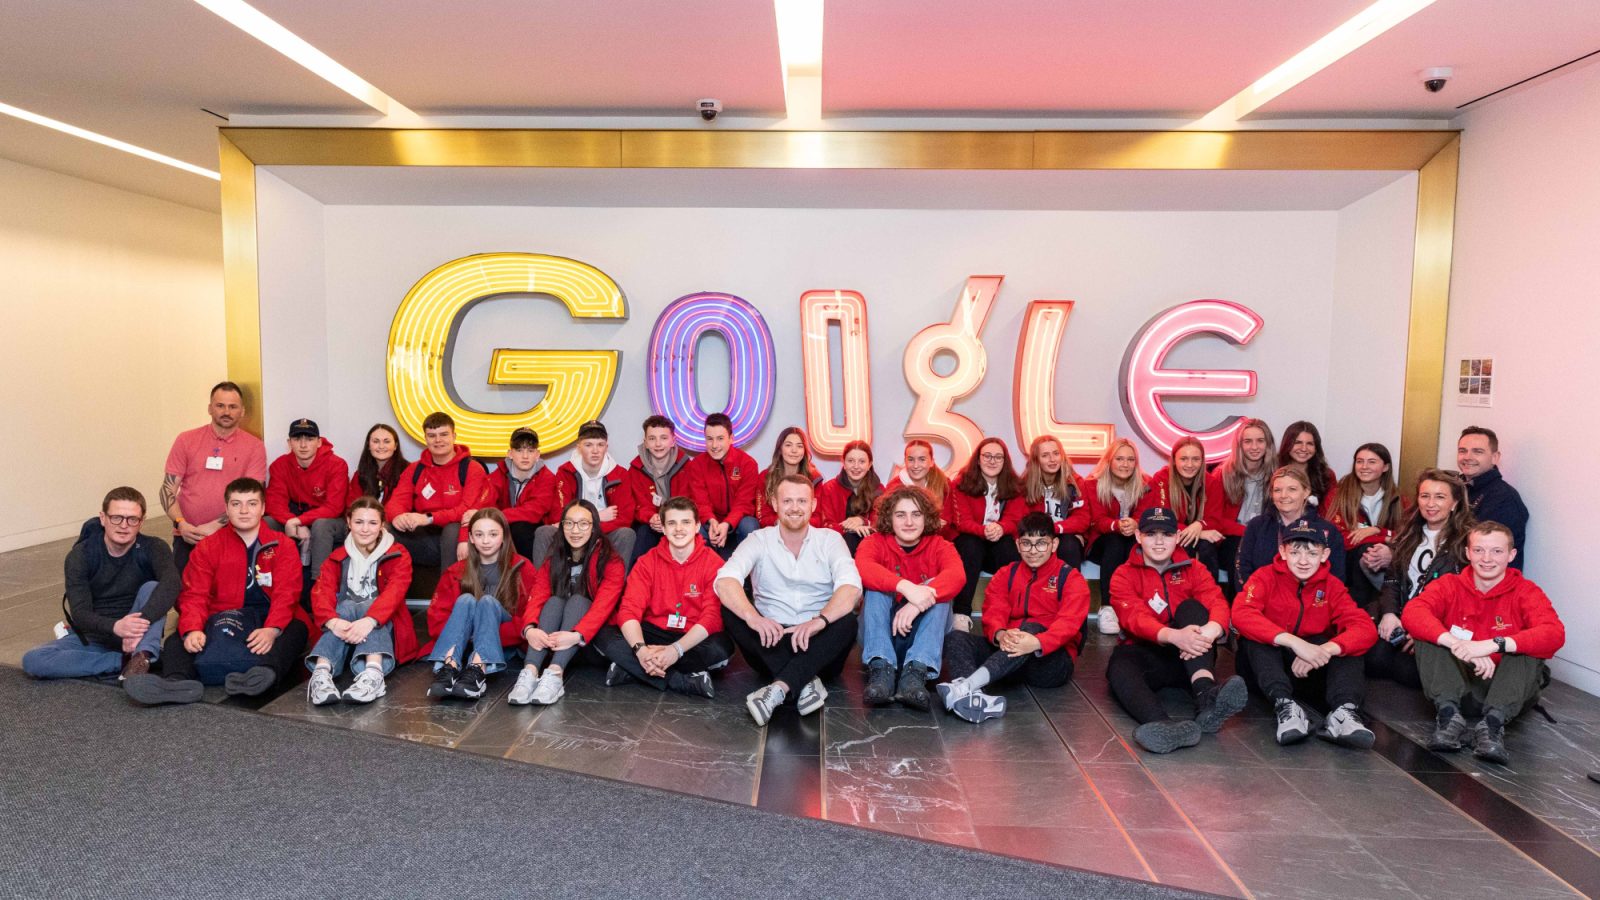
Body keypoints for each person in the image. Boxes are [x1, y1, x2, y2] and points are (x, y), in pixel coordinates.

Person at [124, 478, 310, 705]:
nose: (244, 511)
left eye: (252, 504)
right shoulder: (208, 546)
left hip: (266, 616)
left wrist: (272, 629)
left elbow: (287, 594)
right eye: (236, 504)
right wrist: (193, 629)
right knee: (177, 640)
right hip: (221, 616)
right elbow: (194, 594)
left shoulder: (283, 545)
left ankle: (263, 675)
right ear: (227, 508)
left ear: (262, 508)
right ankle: (175, 683)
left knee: (296, 630)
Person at [1403, 523, 1564, 765]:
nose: (1487, 559)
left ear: (1511, 555)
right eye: (1479, 550)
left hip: (1508, 690)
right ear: (1468, 553)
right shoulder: (1450, 585)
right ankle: (1449, 718)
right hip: (1460, 686)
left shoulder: (1526, 591)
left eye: (1497, 552)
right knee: (1428, 634)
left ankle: (1492, 726)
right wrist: (1458, 644)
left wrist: (1494, 644)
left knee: (1529, 646)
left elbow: (1554, 633)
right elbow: (1413, 612)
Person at [716, 475, 862, 726]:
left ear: (813, 505)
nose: (795, 507)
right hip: (771, 639)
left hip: (818, 642)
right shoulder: (758, 540)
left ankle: (779, 688)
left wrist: (819, 622)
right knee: (731, 609)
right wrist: (754, 618)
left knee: (847, 621)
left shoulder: (830, 540)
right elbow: (724, 580)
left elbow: (851, 588)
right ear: (774, 503)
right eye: (788, 501)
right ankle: (804, 681)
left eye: (802, 501)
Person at [1105, 508, 1246, 753]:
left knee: (1193, 608)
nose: (1159, 541)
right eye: (1151, 534)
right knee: (1119, 667)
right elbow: (1133, 618)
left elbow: (1216, 601)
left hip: (1191, 657)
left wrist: (1211, 631)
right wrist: (1173, 636)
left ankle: (1206, 696)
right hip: (1147, 653)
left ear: (1177, 537)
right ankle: (1163, 725)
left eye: (1167, 534)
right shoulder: (1123, 574)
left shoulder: (1195, 568)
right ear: (1138, 536)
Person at [1232, 519, 1377, 748]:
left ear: (1324, 554)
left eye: (1311, 553)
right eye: (1295, 552)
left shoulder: (1332, 586)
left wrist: (1324, 650)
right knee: (1256, 640)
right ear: (1282, 551)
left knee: (1349, 646)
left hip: (1308, 669)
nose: (1302, 561)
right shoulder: (1264, 577)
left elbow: (1364, 627)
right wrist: (1294, 643)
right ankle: (1285, 707)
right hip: (1267, 670)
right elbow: (1241, 613)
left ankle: (1344, 713)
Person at [937, 512, 1089, 723]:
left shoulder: (1070, 578)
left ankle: (966, 687)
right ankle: (975, 700)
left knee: (1033, 628)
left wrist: (1036, 642)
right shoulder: (1006, 573)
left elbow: (1068, 624)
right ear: (1017, 545)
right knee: (956, 638)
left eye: (1041, 544)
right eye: (1026, 543)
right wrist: (1000, 634)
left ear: (1054, 544)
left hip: (1050, 663)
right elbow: (993, 611)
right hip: (1007, 655)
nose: (1033, 551)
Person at [22, 487, 179, 681]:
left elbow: (172, 583)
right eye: (116, 518)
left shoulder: (153, 547)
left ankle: (143, 655)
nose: (124, 525)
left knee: (153, 587)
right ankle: (126, 663)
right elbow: (80, 613)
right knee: (34, 660)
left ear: (142, 522)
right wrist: (116, 627)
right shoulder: (81, 555)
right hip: (95, 636)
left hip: (138, 634)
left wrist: (136, 627)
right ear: (103, 518)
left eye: (132, 519)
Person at [593, 496, 734, 697]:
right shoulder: (646, 562)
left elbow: (711, 618)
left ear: (696, 527)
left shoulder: (714, 564)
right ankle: (680, 681)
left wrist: (675, 650)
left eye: (685, 522)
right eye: (672, 523)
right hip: (653, 632)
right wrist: (641, 650)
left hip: (691, 636)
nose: (678, 529)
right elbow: (629, 610)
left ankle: (631, 670)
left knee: (722, 648)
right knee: (602, 634)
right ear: (664, 529)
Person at [854, 485, 963, 709]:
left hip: (923, 639)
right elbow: (863, 568)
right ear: (889, 518)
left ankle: (915, 674)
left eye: (916, 514)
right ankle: (881, 669)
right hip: (882, 635)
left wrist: (917, 603)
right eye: (900, 515)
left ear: (926, 518)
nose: (909, 522)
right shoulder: (874, 543)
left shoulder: (941, 546)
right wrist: (905, 587)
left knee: (935, 589)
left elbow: (957, 576)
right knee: (877, 586)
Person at [508, 500, 625, 706]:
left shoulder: (611, 561)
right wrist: (529, 630)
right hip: (553, 640)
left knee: (578, 601)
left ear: (594, 526)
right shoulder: (555, 557)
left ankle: (554, 674)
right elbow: (537, 597)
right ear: (561, 526)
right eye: (569, 523)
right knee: (553, 601)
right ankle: (530, 671)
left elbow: (603, 607)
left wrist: (576, 635)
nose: (575, 530)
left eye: (583, 524)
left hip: (588, 642)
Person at [1368, 469, 1474, 688]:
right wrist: (1389, 614)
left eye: (1440, 497)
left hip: (1435, 625)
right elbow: (1391, 581)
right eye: (1425, 496)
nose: (1431, 503)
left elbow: (1464, 600)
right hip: (1400, 618)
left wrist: (1426, 631)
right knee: (1374, 662)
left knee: (1411, 673)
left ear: (1454, 503)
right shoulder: (1410, 532)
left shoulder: (1467, 542)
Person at [304, 497, 416, 705]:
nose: (365, 529)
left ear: (382, 525)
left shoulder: (399, 554)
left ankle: (373, 674)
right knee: (345, 605)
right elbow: (321, 591)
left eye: (372, 523)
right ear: (348, 522)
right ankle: (321, 674)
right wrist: (333, 622)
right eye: (359, 522)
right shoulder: (337, 557)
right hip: (347, 626)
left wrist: (370, 620)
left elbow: (395, 593)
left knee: (367, 604)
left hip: (383, 624)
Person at [422, 508, 535, 702]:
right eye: (479, 534)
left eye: (493, 534)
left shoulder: (523, 567)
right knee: (466, 600)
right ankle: (450, 667)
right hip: (463, 644)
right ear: (471, 539)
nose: (486, 540)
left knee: (487, 602)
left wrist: (484, 632)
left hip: (501, 642)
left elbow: (530, 618)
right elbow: (436, 619)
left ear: (504, 537)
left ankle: (478, 670)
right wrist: (470, 634)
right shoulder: (455, 571)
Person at [161, 381, 268, 571]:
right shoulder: (186, 440)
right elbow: (168, 488)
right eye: (220, 405)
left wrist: (215, 525)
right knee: (184, 594)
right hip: (188, 534)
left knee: (226, 595)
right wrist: (181, 523)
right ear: (210, 408)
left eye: (232, 406)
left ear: (242, 411)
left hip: (234, 534)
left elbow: (253, 497)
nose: (226, 411)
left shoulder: (254, 446)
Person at [383, 412, 489, 575]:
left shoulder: (471, 468)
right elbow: (395, 502)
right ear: (425, 438)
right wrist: (398, 516)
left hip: (458, 537)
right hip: (426, 539)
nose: (438, 440)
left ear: (454, 436)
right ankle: (383, 593)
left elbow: (466, 510)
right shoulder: (415, 469)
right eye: (432, 436)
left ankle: (448, 595)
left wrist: (429, 518)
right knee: (385, 529)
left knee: (452, 529)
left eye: (444, 434)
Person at [310, 423, 408, 576]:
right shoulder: (361, 473)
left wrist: (377, 524)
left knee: (383, 529)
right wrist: (357, 524)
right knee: (322, 524)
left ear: (395, 446)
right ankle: (319, 581)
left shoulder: (407, 471)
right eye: (375, 441)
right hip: (357, 524)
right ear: (368, 446)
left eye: (386, 441)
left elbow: (402, 505)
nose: (381, 446)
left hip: (389, 526)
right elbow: (351, 505)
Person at [947, 436, 1023, 631]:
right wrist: (986, 531)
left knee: (1009, 548)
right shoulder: (960, 484)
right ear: (978, 459)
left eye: (998, 457)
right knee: (969, 544)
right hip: (972, 541)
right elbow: (962, 521)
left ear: (1005, 461)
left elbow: (1015, 519)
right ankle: (961, 613)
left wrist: (1001, 528)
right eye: (987, 456)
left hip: (998, 543)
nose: (992, 461)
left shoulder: (1015, 486)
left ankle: (1011, 613)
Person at [1235, 466, 1346, 587]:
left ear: (1306, 492)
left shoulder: (1327, 531)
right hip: (1261, 601)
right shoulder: (1257, 526)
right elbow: (1242, 569)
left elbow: (1336, 578)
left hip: (1311, 603)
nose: (1283, 495)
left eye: (1292, 489)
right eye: (1277, 490)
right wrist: (1252, 598)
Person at [545, 420, 636, 564]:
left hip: (605, 532)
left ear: (607, 447)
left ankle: (616, 585)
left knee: (626, 534)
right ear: (579, 447)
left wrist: (590, 527)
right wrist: (597, 517)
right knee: (545, 532)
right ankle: (546, 585)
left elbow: (625, 518)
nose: (595, 451)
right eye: (588, 445)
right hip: (573, 531)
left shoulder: (620, 474)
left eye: (600, 445)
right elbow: (558, 515)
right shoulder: (566, 472)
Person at [1326, 443, 1403, 610]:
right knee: (1367, 550)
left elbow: (1406, 538)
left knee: (1373, 551)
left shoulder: (1399, 499)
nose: (1364, 467)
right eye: (1359, 461)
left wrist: (1378, 531)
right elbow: (1337, 538)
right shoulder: (1337, 496)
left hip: (1387, 564)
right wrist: (1384, 538)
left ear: (1385, 467)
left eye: (1372, 462)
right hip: (1346, 568)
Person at [1204, 419, 1275, 597]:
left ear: (1268, 444)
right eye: (1247, 441)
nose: (1254, 447)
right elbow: (1216, 520)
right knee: (1238, 552)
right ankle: (1238, 605)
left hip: (1265, 535)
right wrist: (1248, 531)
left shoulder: (1276, 475)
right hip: (1232, 536)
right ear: (1239, 445)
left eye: (1260, 440)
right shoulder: (1223, 473)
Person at [264, 418, 348, 569]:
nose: (303, 445)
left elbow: (334, 507)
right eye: (297, 439)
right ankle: (266, 578)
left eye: (309, 439)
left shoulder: (337, 465)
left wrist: (299, 521)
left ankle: (319, 583)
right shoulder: (279, 465)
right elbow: (274, 503)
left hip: (329, 520)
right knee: (267, 522)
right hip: (295, 514)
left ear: (319, 442)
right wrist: (292, 520)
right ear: (289, 443)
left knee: (320, 526)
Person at [1082, 437, 1150, 620]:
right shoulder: (1092, 484)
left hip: (1130, 538)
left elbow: (1146, 513)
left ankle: (1137, 607)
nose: (1125, 464)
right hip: (1100, 543)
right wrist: (1117, 525)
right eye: (1119, 459)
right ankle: (1108, 608)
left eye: (1130, 459)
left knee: (1136, 545)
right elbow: (1096, 520)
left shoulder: (1145, 484)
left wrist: (1136, 523)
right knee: (1116, 541)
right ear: (1109, 461)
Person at [468, 427, 556, 562]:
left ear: (537, 455)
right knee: (486, 530)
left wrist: (498, 516)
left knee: (520, 529)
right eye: (519, 450)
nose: (525, 456)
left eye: (530, 451)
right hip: (502, 524)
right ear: (510, 453)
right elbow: (484, 504)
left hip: (532, 529)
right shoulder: (498, 475)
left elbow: (534, 512)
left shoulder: (547, 477)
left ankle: (528, 578)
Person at [685, 413, 761, 559]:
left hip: (737, 522)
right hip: (710, 523)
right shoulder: (696, 465)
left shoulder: (748, 464)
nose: (714, 445)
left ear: (731, 438)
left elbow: (744, 504)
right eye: (709, 439)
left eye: (720, 439)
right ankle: (703, 575)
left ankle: (747, 579)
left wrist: (727, 523)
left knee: (750, 525)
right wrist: (711, 521)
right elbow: (700, 502)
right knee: (694, 528)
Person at [1143, 437, 1221, 574]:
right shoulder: (1161, 479)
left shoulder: (1211, 482)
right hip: (1169, 536)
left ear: (1202, 461)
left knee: (1207, 548)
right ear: (1174, 461)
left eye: (1195, 459)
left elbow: (1215, 517)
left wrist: (1200, 524)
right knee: (1184, 546)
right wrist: (1199, 532)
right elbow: (1163, 518)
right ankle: (1179, 593)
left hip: (1201, 539)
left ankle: (1209, 594)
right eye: (1183, 459)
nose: (1190, 464)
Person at [1457, 426, 1529, 571]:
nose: (1467, 457)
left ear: (1495, 457)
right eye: (1462, 451)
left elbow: (1486, 556)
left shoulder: (1504, 499)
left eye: (1478, 451)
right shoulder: (1457, 488)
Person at [1014, 435, 1091, 569]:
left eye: (1056, 454)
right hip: (1036, 538)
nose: (1052, 459)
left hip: (1065, 535)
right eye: (1045, 455)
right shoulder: (1024, 486)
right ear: (1036, 460)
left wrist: (1057, 528)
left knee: (1068, 544)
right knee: (1033, 546)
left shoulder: (1075, 483)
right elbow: (1020, 520)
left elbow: (1082, 518)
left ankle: (1071, 589)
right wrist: (1042, 535)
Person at [626, 415, 695, 562]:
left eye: (663, 438)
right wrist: (650, 517)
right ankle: (634, 582)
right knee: (644, 533)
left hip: (679, 521)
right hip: (650, 523)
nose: (658, 444)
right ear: (645, 443)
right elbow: (636, 504)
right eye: (652, 439)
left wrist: (669, 519)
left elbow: (688, 500)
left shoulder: (686, 466)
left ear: (673, 441)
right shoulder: (635, 469)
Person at [815, 439, 883, 554]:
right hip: (836, 547)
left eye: (862, 461)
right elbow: (825, 525)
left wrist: (863, 521)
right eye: (851, 461)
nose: (856, 466)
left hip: (870, 547)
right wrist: (850, 528)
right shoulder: (829, 488)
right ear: (844, 463)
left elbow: (883, 522)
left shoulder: (879, 489)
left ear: (869, 464)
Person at [755, 426, 823, 527]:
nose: (794, 450)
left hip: (805, 531)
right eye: (788, 445)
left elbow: (818, 518)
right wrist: (784, 522)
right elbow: (762, 518)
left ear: (804, 451)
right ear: (780, 449)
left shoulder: (814, 478)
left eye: (800, 446)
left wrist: (797, 523)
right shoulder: (766, 477)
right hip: (775, 530)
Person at [1277, 421, 1338, 509]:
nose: (1304, 448)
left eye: (1310, 444)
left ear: (1316, 448)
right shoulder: (1273, 470)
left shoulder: (1327, 475)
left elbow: (1331, 511)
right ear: (1287, 444)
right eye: (1298, 442)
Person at [890, 439, 951, 510]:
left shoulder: (944, 484)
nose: (916, 465)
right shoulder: (893, 487)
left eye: (922, 459)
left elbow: (948, 518)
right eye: (911, 459)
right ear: (905, 461)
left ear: (932, 462)